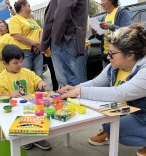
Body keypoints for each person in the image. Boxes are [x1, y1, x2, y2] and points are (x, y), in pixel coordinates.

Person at [57, 24, 146, 156]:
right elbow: (96, 82)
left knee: (117, 131)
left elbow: (119, 94)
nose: (108, 57)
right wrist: (75, 88)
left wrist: (80, 92)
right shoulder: (115, 66)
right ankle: (112, 132)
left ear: (130, 55)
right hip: (134, 112)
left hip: (143, 116)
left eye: (112, 53)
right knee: (109, 122)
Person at [0, 44, 52, 151]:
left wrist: (40, 82)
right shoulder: (1, 78)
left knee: (38, 118)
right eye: (15, 63)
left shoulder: (26, 72)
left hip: (30, 105)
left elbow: (36, 79)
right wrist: (10, 95)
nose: (20, 65)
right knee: (20, 125)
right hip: (15, 109)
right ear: (5, 63)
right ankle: (23, 138)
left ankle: (37, 138)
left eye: (21, 61)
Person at [41, 0, 88, 87]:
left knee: (66, 82)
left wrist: (55, 36)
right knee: (70, 79)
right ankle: (73, 99)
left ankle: (71, 100)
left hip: (64, 38)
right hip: (67, 37)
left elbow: (64, 8)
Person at [91, 0, 131, 68]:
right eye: (101, 0)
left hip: (118, 56)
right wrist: (96, 33)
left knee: (116, 78)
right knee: (106, 78)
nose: (101, 3)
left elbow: (126, 32)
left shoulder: (123, 12)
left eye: (103, 0)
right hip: (106, 55)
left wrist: (110, 26)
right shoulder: (105, 16)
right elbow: (103, 37)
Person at [9, 0, 43, 77]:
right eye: (29, 6)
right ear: (23, 6)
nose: (30, 9)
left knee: (39, 76)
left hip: (37, 52)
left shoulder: (31, 20)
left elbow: (41, 31)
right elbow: (17, 36)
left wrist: (40, 43)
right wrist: (35, 44)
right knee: (26, 77)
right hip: (25, 53)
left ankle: (39, 90)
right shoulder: (15, 19)